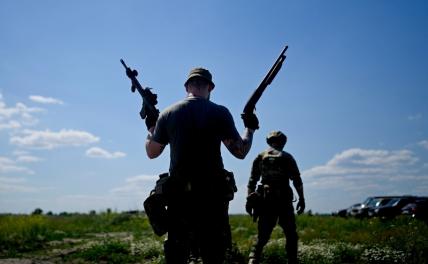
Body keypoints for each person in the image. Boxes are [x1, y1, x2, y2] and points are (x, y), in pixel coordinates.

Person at [145, 67, 259, 264]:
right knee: (213, 253)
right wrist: (250, 129)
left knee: (177, 252)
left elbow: (152, 152)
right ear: (210, 87)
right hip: (212, 197)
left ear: (187, 87)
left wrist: (150, 130)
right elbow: (240, 152)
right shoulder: (220, 112)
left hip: (180, 198)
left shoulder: (167, 114)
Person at [246, 131, 305, 264]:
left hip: (265, 200)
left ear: (269, 141)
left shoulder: (260, 157)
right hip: (284, 200)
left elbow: (252, 181)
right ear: (283, 142)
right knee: (291, 234)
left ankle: (253, 259)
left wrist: (249, 201)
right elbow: (297, 180)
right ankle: (292, 260)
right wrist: (302, 199)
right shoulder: (287, 157)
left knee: (263, 235)